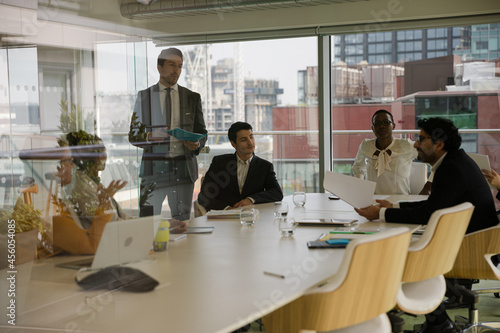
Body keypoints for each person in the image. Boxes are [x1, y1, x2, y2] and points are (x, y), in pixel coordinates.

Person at [355, 117, 498, 333]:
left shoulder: (451, 169)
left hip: (474, 248)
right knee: (408, 244)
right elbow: (435, 205)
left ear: (438, 144)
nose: (415, 144)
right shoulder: (455, 161)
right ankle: (437, 320)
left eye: (421, 139)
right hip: (472, 239)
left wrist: (382, 213)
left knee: (397, 253)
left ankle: (435, 321)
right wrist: (393, 205)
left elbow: (429, 213)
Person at [129, 47, 207, 220]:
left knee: (182, 222)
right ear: (159, 67)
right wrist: (150, 136)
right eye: (172, 65)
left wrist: (197, 144)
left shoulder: (192, 97)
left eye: (179, 66)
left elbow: (202, 133)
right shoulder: (144, 97)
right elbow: (133, 135)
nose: (176, 70)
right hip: (153, 171)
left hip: (183, 170)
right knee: (147, 221)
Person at [198, 122, 283, 211]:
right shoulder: (219, 163)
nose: (250, 142)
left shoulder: (265, 166)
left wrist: (250, 200)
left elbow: (277, 193)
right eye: (243, 140)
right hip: (224, 218)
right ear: (233, 144)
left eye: (251, 137)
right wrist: (227, 209)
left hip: (253, 217)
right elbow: (204, 196)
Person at [352, 109, 418, 194]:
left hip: (400, 202)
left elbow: (434, 158)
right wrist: (360, 187)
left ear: (393, 125)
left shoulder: (407, 145)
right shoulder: (366, 145)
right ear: (373, 128)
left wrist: (429, 184)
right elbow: (358, 166)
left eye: (386, 122)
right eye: (377, 123)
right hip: (373, 201)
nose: (382, 126)